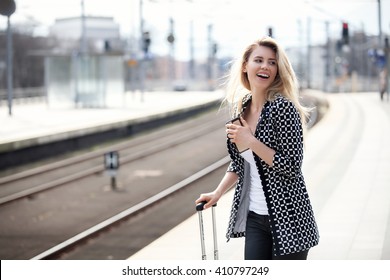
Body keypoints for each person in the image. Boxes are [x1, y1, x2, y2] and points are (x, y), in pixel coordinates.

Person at [195, 36, 319, 260]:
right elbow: (241, 162)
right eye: (259, 60)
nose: (265, 66)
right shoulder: (243, 109)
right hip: (255, 218)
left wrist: (251, 140)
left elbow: (291, 166)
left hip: (289, 217)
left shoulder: (284, 109)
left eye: (272, 62)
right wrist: (218, 192)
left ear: (278, 70)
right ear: (245, 66)